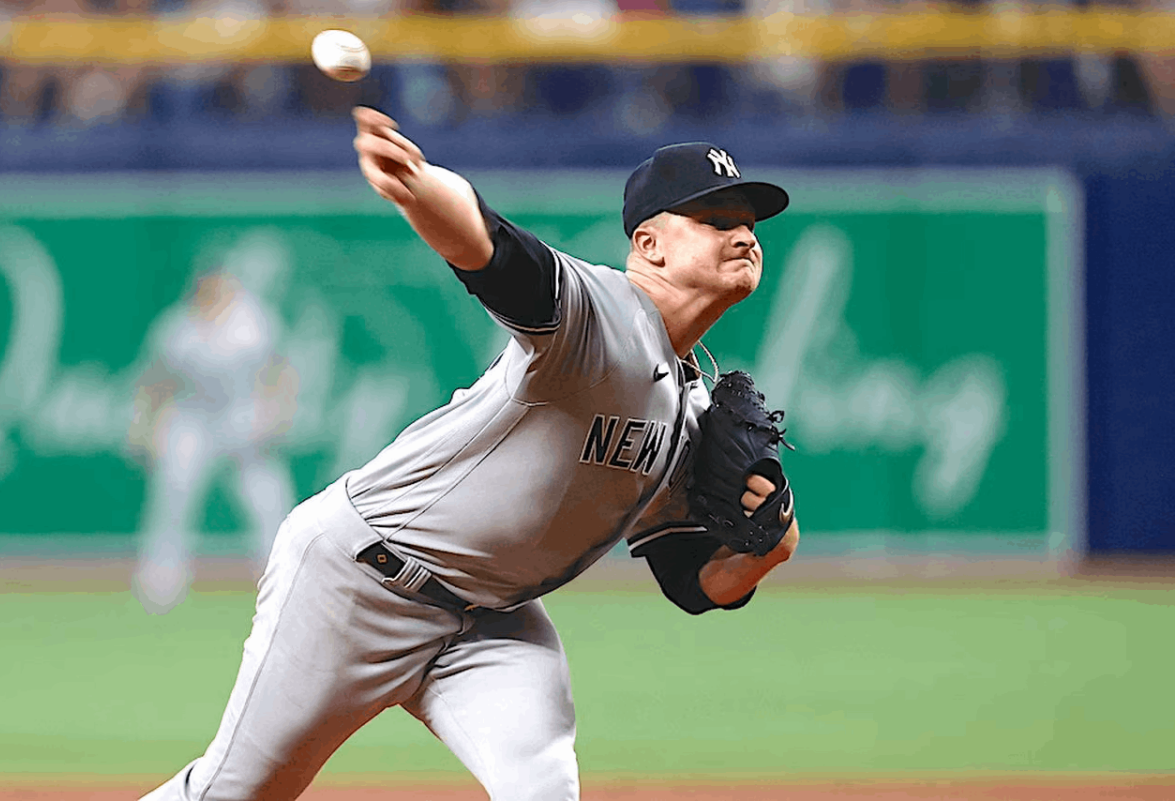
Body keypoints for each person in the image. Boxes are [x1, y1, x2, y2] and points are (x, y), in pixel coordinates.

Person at [140, 106, 801, 801]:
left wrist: (770, 544)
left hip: (488, 620)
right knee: (233, 792)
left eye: (749, 222)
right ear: (650, 243)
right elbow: (493, 252)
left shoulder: (692, 413)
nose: (743, 234)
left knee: (542, 786)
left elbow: (691, 580)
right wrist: (418, 185)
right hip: (358, 580)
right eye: (716, 218)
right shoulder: (602, 314)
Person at [128, 232, 299, 613]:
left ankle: (282, 585)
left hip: (242, 417)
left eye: (221, 277)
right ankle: (160, 586)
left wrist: (276, 415)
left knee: (268, 502)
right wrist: (144, 426)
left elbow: (281, 372)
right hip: (194, 420)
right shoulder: (179, 325)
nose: (215, 284)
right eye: (208, 278)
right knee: (173, 496)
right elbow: (155, 380)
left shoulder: (255, 319)